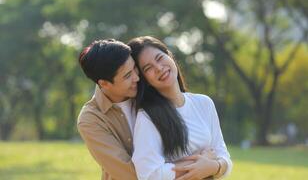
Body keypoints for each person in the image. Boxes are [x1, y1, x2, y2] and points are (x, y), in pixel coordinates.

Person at [127, 36, 232, 180]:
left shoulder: (204, 103)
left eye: (159, 58)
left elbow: (223, 156)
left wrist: (213, 166)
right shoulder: (147, 117)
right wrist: (200, 164)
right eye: (148, 68)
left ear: (170, 56)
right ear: (145, 80)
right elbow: (149, 174)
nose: (158, 68)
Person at [77, 39, 140, 180]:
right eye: (127, 75)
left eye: (134, 68)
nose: (136, 78)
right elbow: (128, 173)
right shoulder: (90, 119)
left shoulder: (147, 92)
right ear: (104, 83)